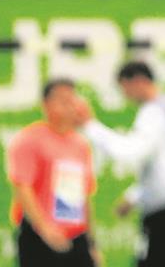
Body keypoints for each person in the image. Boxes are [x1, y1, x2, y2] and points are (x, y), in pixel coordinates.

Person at [74, 61, 165, 267]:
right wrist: (136, 195)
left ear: (139, 82)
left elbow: (131, 152)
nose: (125, 96)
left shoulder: (154, 112)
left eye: (125, 88)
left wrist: (90, 125)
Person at [6, 78, 99, 267]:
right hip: (40, 235)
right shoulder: (29, 140)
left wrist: (91, 243)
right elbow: (22, 187)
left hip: (75, 233)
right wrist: (45, 229)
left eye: (72, 100)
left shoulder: (80, 144)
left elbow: (84, 196)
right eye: (62, 100)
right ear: (46, 104)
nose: (69, 106)